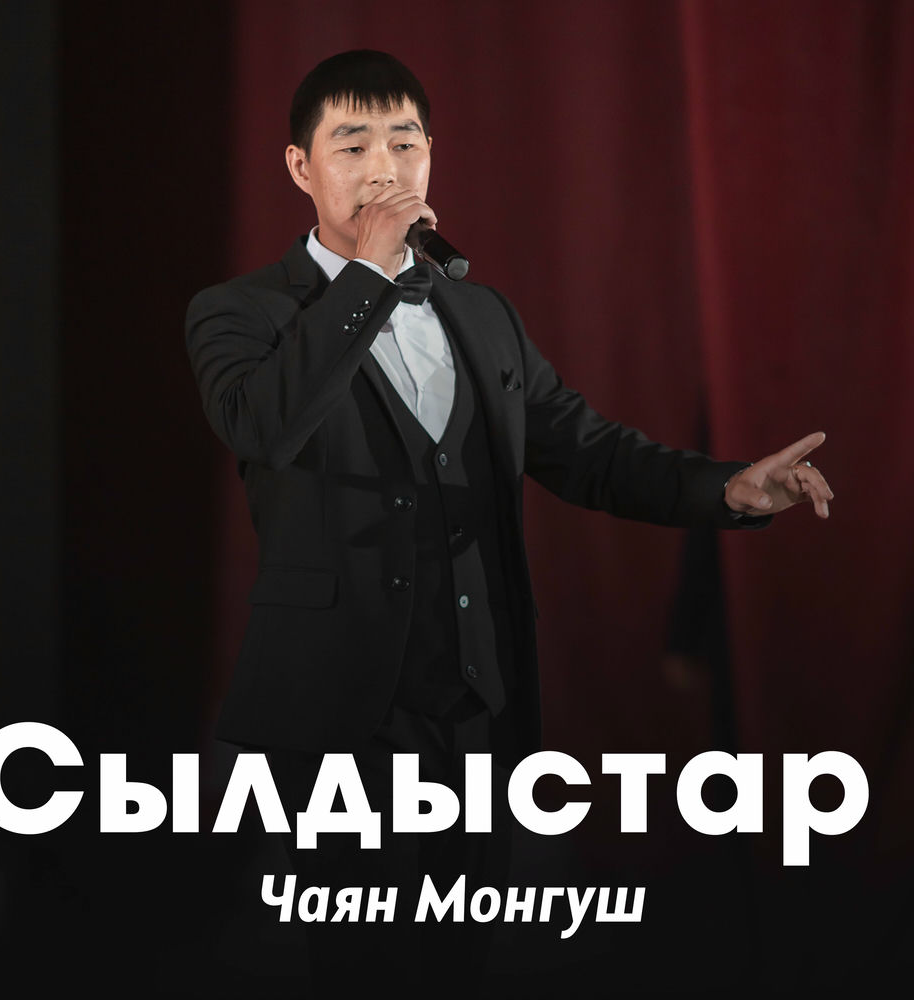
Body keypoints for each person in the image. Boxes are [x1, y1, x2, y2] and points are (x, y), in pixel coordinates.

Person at [185, 48, 833, 994]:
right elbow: (264, 424)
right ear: (300, 167)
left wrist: (726, 489)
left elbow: (586, 450)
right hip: (339, 715)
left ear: (431, 156)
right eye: (353, 145)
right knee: (358, 966)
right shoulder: (243, 312)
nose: (383, 168)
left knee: (466, 961)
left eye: (405, 143)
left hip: (477, 705)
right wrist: (364, 274)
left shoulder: (480, 314)